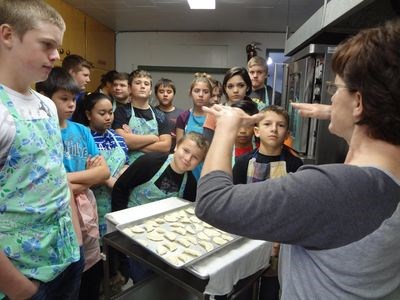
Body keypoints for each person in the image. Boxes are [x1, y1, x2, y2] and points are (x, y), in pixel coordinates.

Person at [195, 20, 400, 299]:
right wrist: (345, 113)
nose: (331, 96)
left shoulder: (330, 189)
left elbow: (212, 202)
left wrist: (227, 125)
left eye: (335, 88)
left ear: (358, 103)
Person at [0, 1, 83, 299]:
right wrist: (19, 290)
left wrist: (77, 242)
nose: (56, 56)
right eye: (47, 44)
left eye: (58, 47)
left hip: (66, 257)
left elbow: (57, 173)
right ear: (8, 35)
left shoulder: (47, 105)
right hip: (23, 274)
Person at [37, 67, 110, 300]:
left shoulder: (81, 130)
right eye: (64, 99)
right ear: (45, 98)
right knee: (63, 272)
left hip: (85, 207)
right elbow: (43, 185)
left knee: (88, 266)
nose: (71, 105)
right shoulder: (39, 133)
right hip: (56, 210)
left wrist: (64, 182)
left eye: (74, 99)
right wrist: (86, 179)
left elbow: (103, 171)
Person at [112, 131, 208, 211]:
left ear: (200, 162)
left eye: (195, 157)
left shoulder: (190, 184)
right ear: (176, 147)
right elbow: (120, 188)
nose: (188, 158)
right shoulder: (150, 162)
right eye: (186, 151)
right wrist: (119, 220)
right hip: (129, 219)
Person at [82, 92, 129, 237]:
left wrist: (123, 174)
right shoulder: (82, 138)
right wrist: (108, 180)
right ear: (89, 115)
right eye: (102, 113)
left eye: (110, 112)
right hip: (93, 201)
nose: (108, 117)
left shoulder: (118, 138)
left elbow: (126, 162)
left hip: (119, 201)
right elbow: (84, 171)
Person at [112, 69, 171, 164]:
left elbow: (165, 147)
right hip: (129, 167)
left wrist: (134, 143)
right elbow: (123, 141)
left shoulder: (160, 115)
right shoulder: (121, 112)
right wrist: (153, 138)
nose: (142, 86)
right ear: (130, 88)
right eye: (138, 83)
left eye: (146, 84)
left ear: (151, 91)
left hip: (154, 167)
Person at [232, 105, 303, 183]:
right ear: (257, 131)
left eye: (280, 125)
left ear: (287, 134)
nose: (274, 129)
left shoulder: (295, 164)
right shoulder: (242, 163)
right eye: (267, 124)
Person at [203, 66, 254, 143]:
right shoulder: (215, 112)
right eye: (230, 86)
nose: (235, 90)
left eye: (241, 85)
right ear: (225, 88)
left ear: (248, 87)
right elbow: (207, 145)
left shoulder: (254, 111)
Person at [154, 77, 184, 152]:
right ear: (156, 94)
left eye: (169, 92)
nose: (165, 95)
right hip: (154, 154)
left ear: (174, 94)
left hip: (174, 155)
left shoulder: (181, 115)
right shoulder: (151, 112)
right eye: (161, 92)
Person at [62, 54, 92, 123]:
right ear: (72, 72)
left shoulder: (83, 97)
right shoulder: (54, 94)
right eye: (85, 75)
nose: (88, 80)